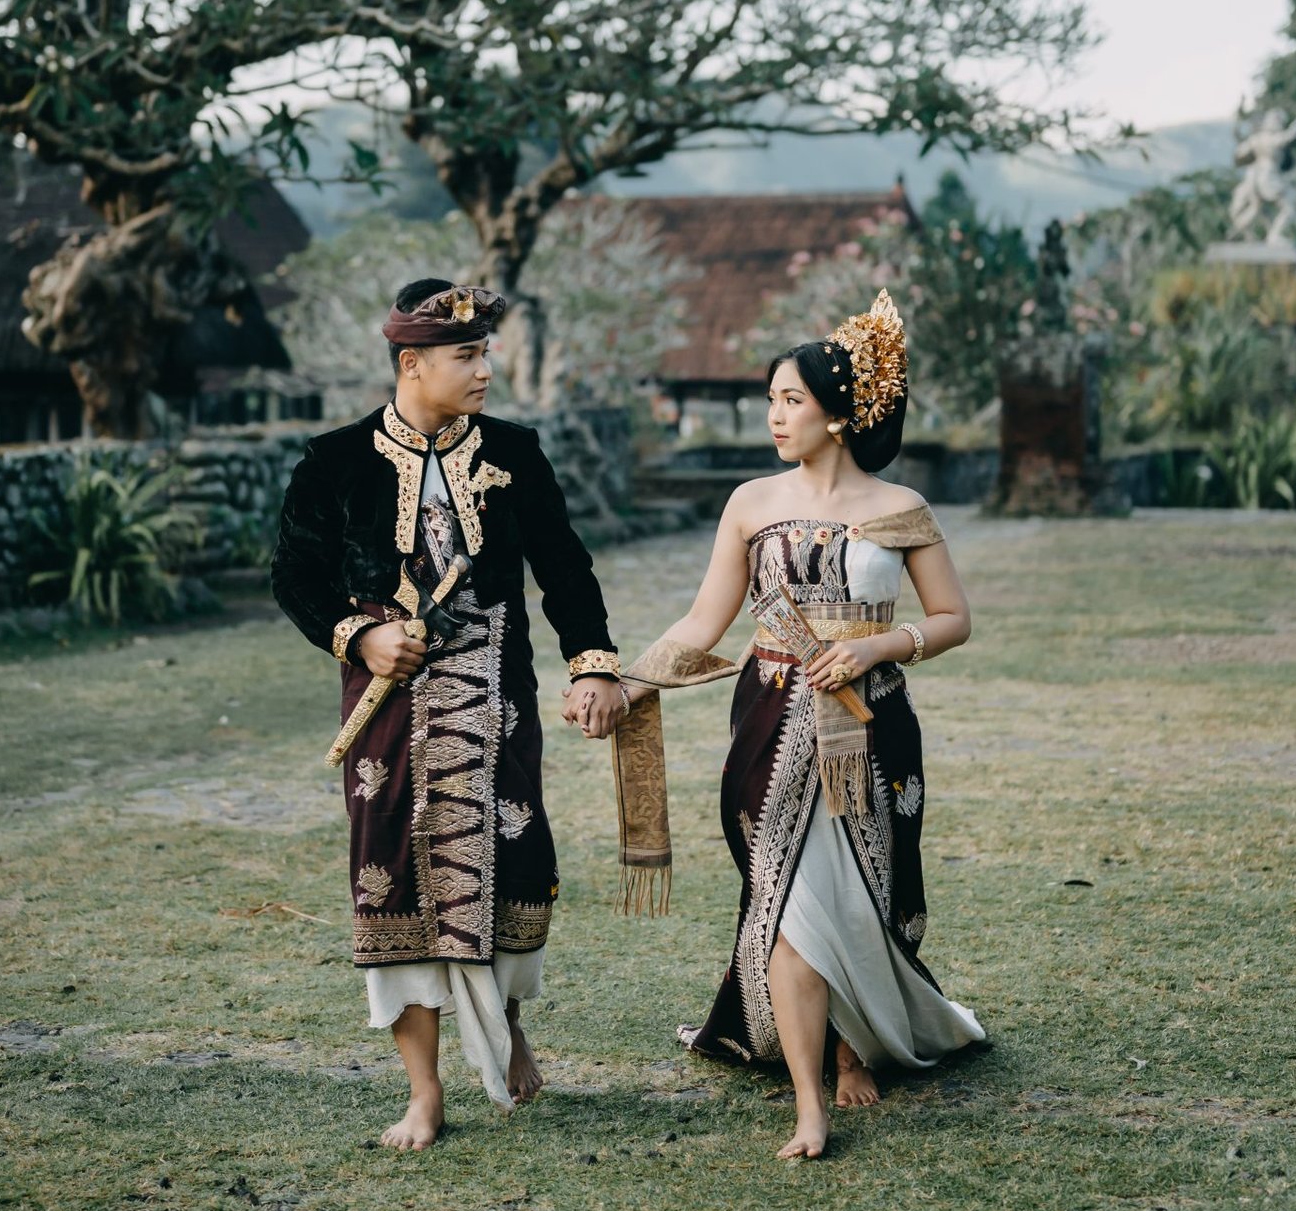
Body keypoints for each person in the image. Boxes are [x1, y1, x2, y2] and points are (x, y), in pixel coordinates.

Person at [622, 291, 984, 1160]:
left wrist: (875, 647)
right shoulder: (751, 502)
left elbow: (953, 619)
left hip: (873, 725)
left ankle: (856, 1045)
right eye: (771, 400)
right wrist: (626, 682)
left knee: (861, 894)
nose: (775, 416)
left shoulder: (901, 505)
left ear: (839, 413)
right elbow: (703, 621)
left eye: (791, 399)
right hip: (771, 727)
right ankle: (809, 1101)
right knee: (786, 903)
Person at [271, 279, 626, 1150]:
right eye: (466, 355)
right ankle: (424, 1091)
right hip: (391, 708)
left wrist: (593, 663)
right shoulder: (334, 460)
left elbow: (564, 566)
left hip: (498, 692)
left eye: (484, 352)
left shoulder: (516, 452)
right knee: (391, 873)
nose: (484, 370)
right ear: (412, 363)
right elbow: (294, 575)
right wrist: (359, 636)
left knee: (514, 856)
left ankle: (504, 1024)